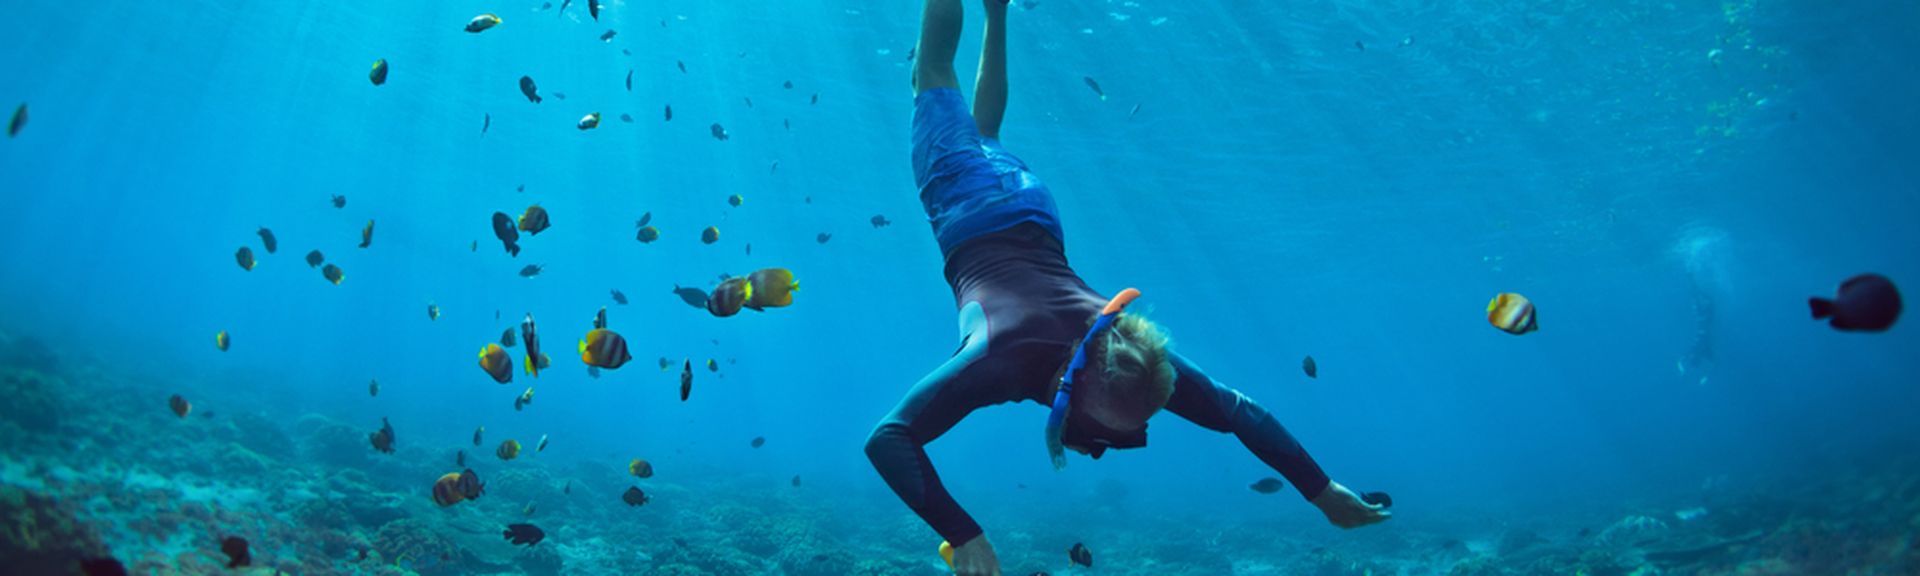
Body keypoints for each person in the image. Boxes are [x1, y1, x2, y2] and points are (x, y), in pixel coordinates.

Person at [864, 1, 1391, 574]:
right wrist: (965, 537)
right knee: (932, 73)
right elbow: (887, 439)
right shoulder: (1004, 357)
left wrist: (1322, 490)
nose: (1111, 443)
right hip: (970, 204)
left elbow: (1241, 413)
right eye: (1103, 431)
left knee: (984, 133)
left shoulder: (1128, 357)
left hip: (1034, 209)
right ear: (1073, 388)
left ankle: (998, 11)